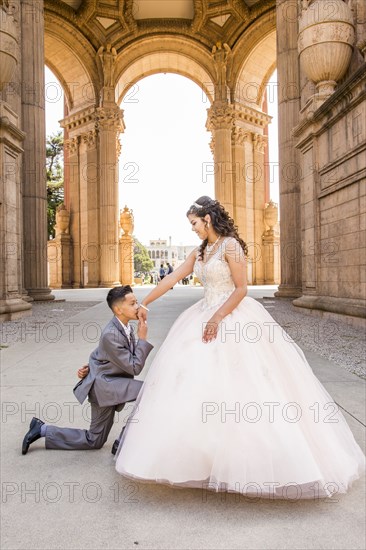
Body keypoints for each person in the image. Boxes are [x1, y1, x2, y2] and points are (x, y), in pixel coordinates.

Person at [114, 196, 365, 499]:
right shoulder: (201, 251)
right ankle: (203, 460)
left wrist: (217, 318)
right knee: (195, 385)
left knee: (248, 385)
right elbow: (172, 278)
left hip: (231, 316)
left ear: (207, 219)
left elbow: (242, 289)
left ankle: (251, 463)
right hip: (203, 313)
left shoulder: (231, 246)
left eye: (194, 223)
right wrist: (145, 303)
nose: (192, 229)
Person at [21, 286, 153, 455]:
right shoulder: (111, 333)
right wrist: (143, 340)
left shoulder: (125, 328)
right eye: (133, 303)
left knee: (95, 440)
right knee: (148, 392)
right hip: (105, 387)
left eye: (137, 302)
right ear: (118, 309)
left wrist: (90, 367)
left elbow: (100, 353)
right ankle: (123, 439)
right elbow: (135, 367)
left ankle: (43, 430)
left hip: (110, 383)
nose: (137, 307)